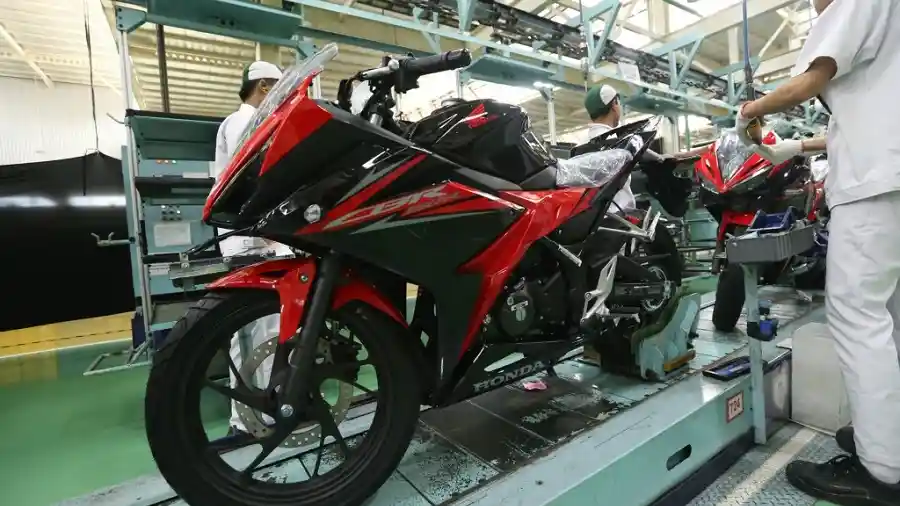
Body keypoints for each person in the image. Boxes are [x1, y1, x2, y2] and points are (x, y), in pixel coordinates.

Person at [735, 0, 900, 503]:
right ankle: (888, 435)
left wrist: (752, 111)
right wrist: (791, 148)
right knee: (889, 315)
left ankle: (882, 470)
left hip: (873, 188)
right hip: (891, 179)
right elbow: (862, 116)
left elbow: (812, 78)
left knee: (856, 315)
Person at [210, 60, 292, 436]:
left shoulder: (243, 121)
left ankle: (262, 411)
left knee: (261, 329)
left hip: (254, 239)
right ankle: (247, 421)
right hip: (253, 241)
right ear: (263, 87)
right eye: (279, 88)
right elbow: (258, 180)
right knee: (253, 332)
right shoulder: (246, 121)